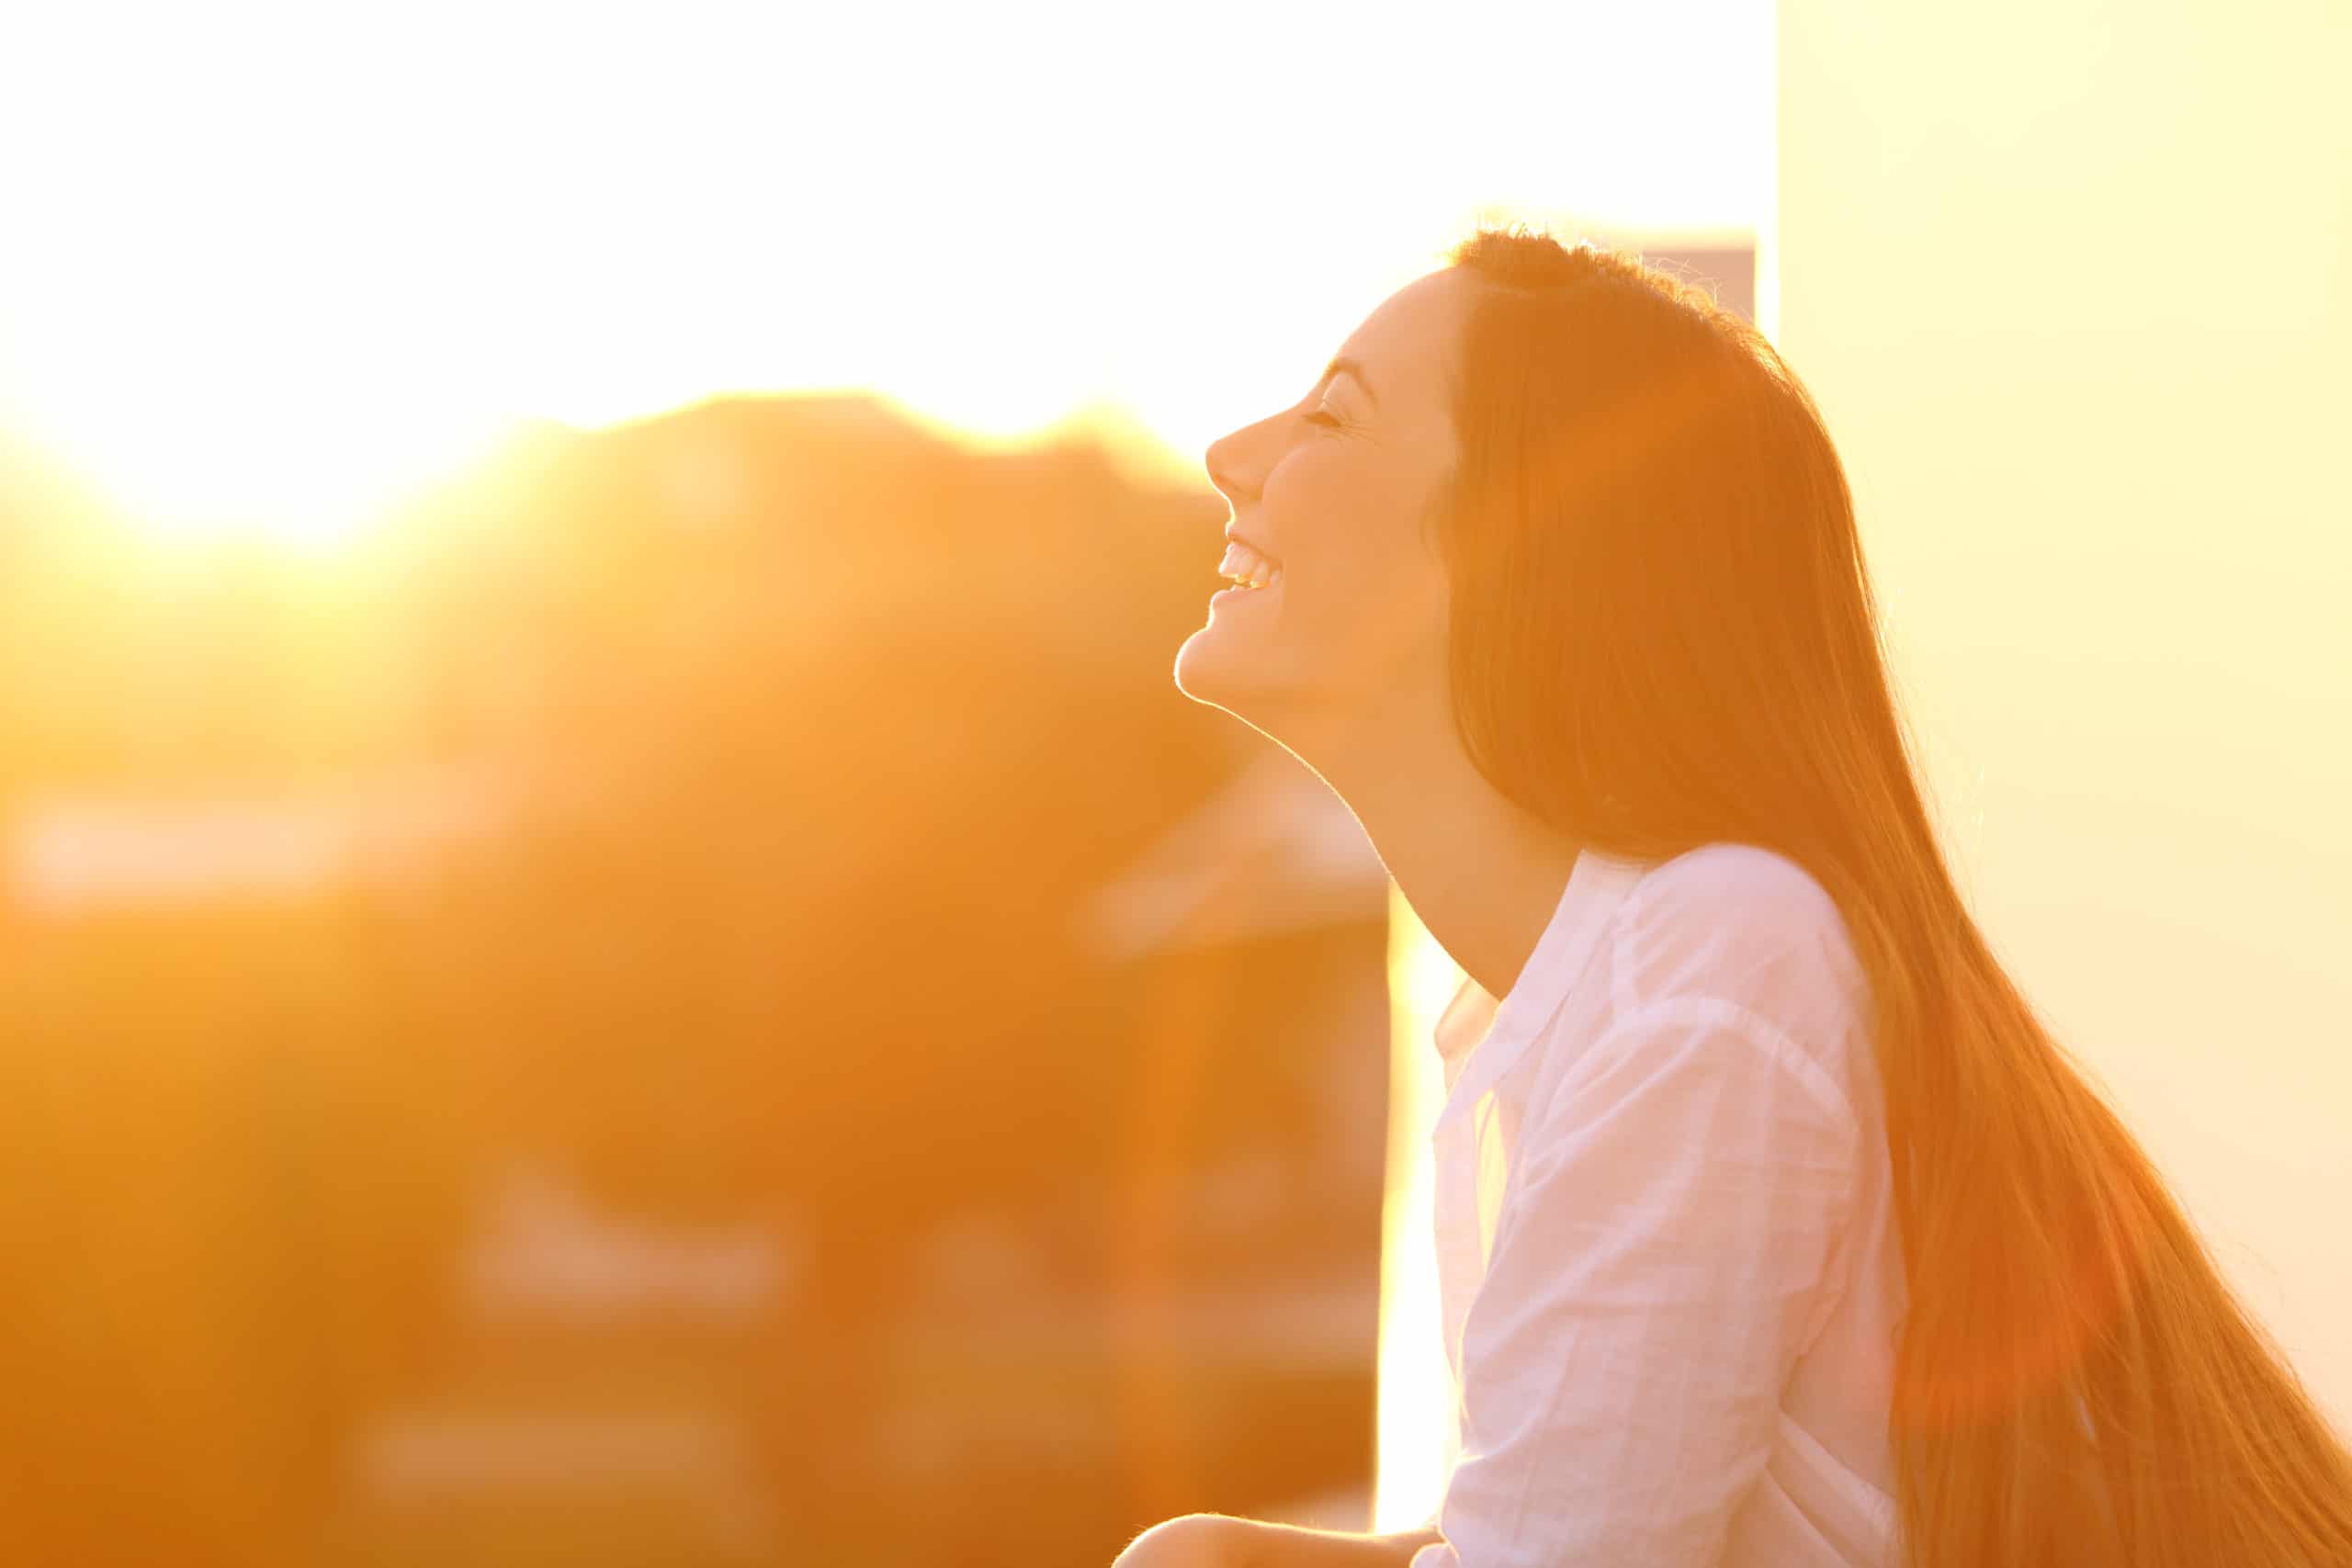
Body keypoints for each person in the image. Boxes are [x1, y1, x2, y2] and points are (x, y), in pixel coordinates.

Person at [1114, 225, 2352, 1567]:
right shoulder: (1603, 991)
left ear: (1518, 539)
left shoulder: (1710, 969)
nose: (1233, 452)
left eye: (1330, 418)